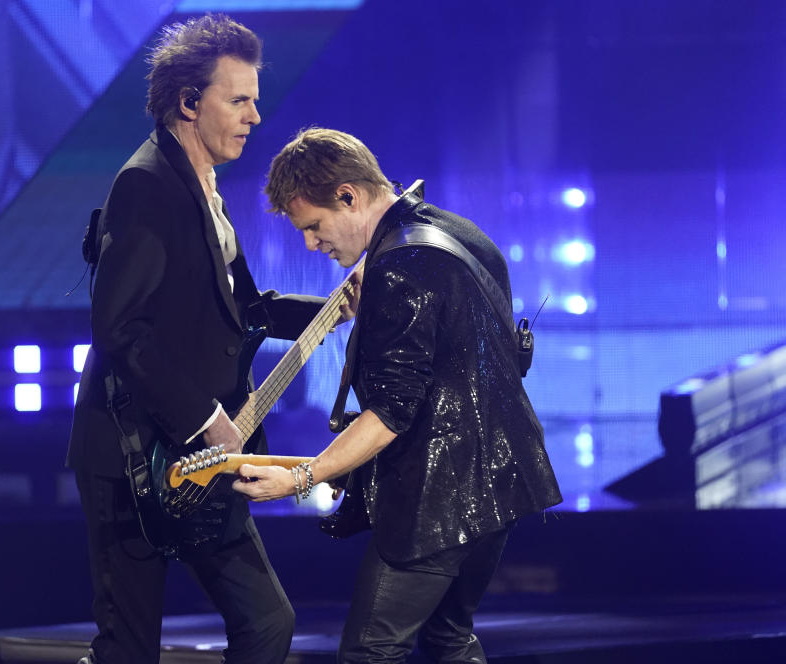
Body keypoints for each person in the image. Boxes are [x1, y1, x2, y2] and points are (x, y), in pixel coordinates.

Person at [67, 17, 342, 664]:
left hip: (201, 462)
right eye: (238, 99)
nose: (255, 115)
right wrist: (205, 416)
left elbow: (248, 310)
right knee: (129, 648)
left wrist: (336, 308)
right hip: (134, 461)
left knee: (267, 621)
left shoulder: (204, 191)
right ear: (189, 103)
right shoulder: (147, 185)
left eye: (254, 98)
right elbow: (118, 326)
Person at [233, 128, 563, 663]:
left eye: (314, 227)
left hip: (442, 500)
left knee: (371, 652)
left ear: (348, 195)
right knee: (448, 641)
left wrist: (300, 477)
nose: (311, 244)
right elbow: (461, 351)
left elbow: (391, 411)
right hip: (503, 485)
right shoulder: (456, 232)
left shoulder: (401, 265)